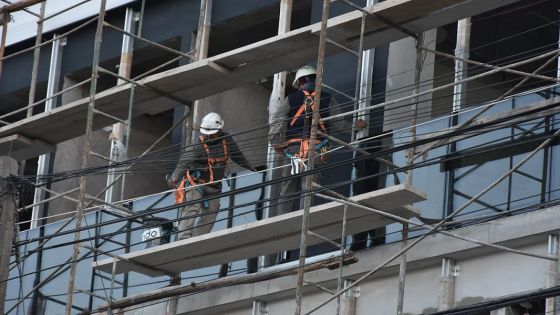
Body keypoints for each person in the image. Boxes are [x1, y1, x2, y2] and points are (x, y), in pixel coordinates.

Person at [268, 65, 367, 218]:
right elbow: (339, 123)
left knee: (288, 187)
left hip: (293, 149)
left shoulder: (291, 99)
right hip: (316, 148)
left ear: (299, 82)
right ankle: (303, 217)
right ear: (316, 80)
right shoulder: (327, 98)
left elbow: (277, 122)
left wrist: (275, 144)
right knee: (309, 186)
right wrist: (355, 126)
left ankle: (283, 218)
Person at [168, 112, 256, 240]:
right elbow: (184, 162)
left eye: (211, 134)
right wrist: (174, 178)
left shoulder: (227, 140)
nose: (207, 137)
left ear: (219, 130)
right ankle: (183, 239)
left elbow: (237, 155)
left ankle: (198, 239)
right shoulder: (197, 146)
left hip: (214, 186)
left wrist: (250, 167)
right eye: (205, 134)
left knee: (211, 213)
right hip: (197, 184)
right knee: (192, 208)